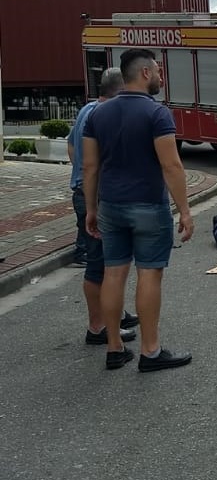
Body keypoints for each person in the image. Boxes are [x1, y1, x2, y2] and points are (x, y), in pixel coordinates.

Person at [83, 48, 195, 372]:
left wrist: (92, 209)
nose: (161, 76)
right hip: (147, 205)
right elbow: (171, 165)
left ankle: (115, 348)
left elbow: (90, 167)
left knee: (113, 273)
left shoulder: (97, 114)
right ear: (145, 73)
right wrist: (185, 211)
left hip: (110, 206)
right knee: (149, 273)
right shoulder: (157, 114)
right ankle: (150, 351)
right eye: (158, 70)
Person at [67, 67, 139, 345]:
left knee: (108, 260)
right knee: (101, 262)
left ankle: (114, 314)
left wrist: (80, 176)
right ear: (121, 90)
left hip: (84, 190)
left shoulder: (88, 111)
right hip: (94, 196)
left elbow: (72, 147)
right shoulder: (104, 116)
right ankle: (98, 327)